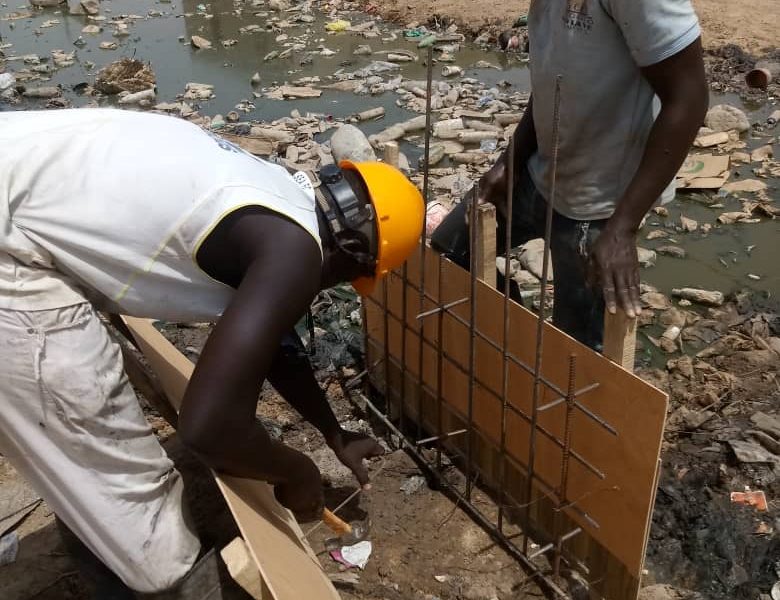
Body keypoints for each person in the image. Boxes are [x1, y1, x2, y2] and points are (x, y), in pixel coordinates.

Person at [0, 108, 424, 598]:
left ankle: (99, 541)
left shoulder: (275, 195)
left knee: (86, 465)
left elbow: (275, 341)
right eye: (350, 276)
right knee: (145, 527)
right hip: (11, 260)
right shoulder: (295, 251)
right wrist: (295, 471)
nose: (337, 285)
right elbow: (207, 429)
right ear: (353, 249)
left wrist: (333, 434)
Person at [434, 0, 708, 350]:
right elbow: (557, 78)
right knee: (450, 249)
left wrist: (622, 229)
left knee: (576, 354)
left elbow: (690, 98)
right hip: (540, 171)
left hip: (598, 204)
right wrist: (510, 162)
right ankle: (512, 346)